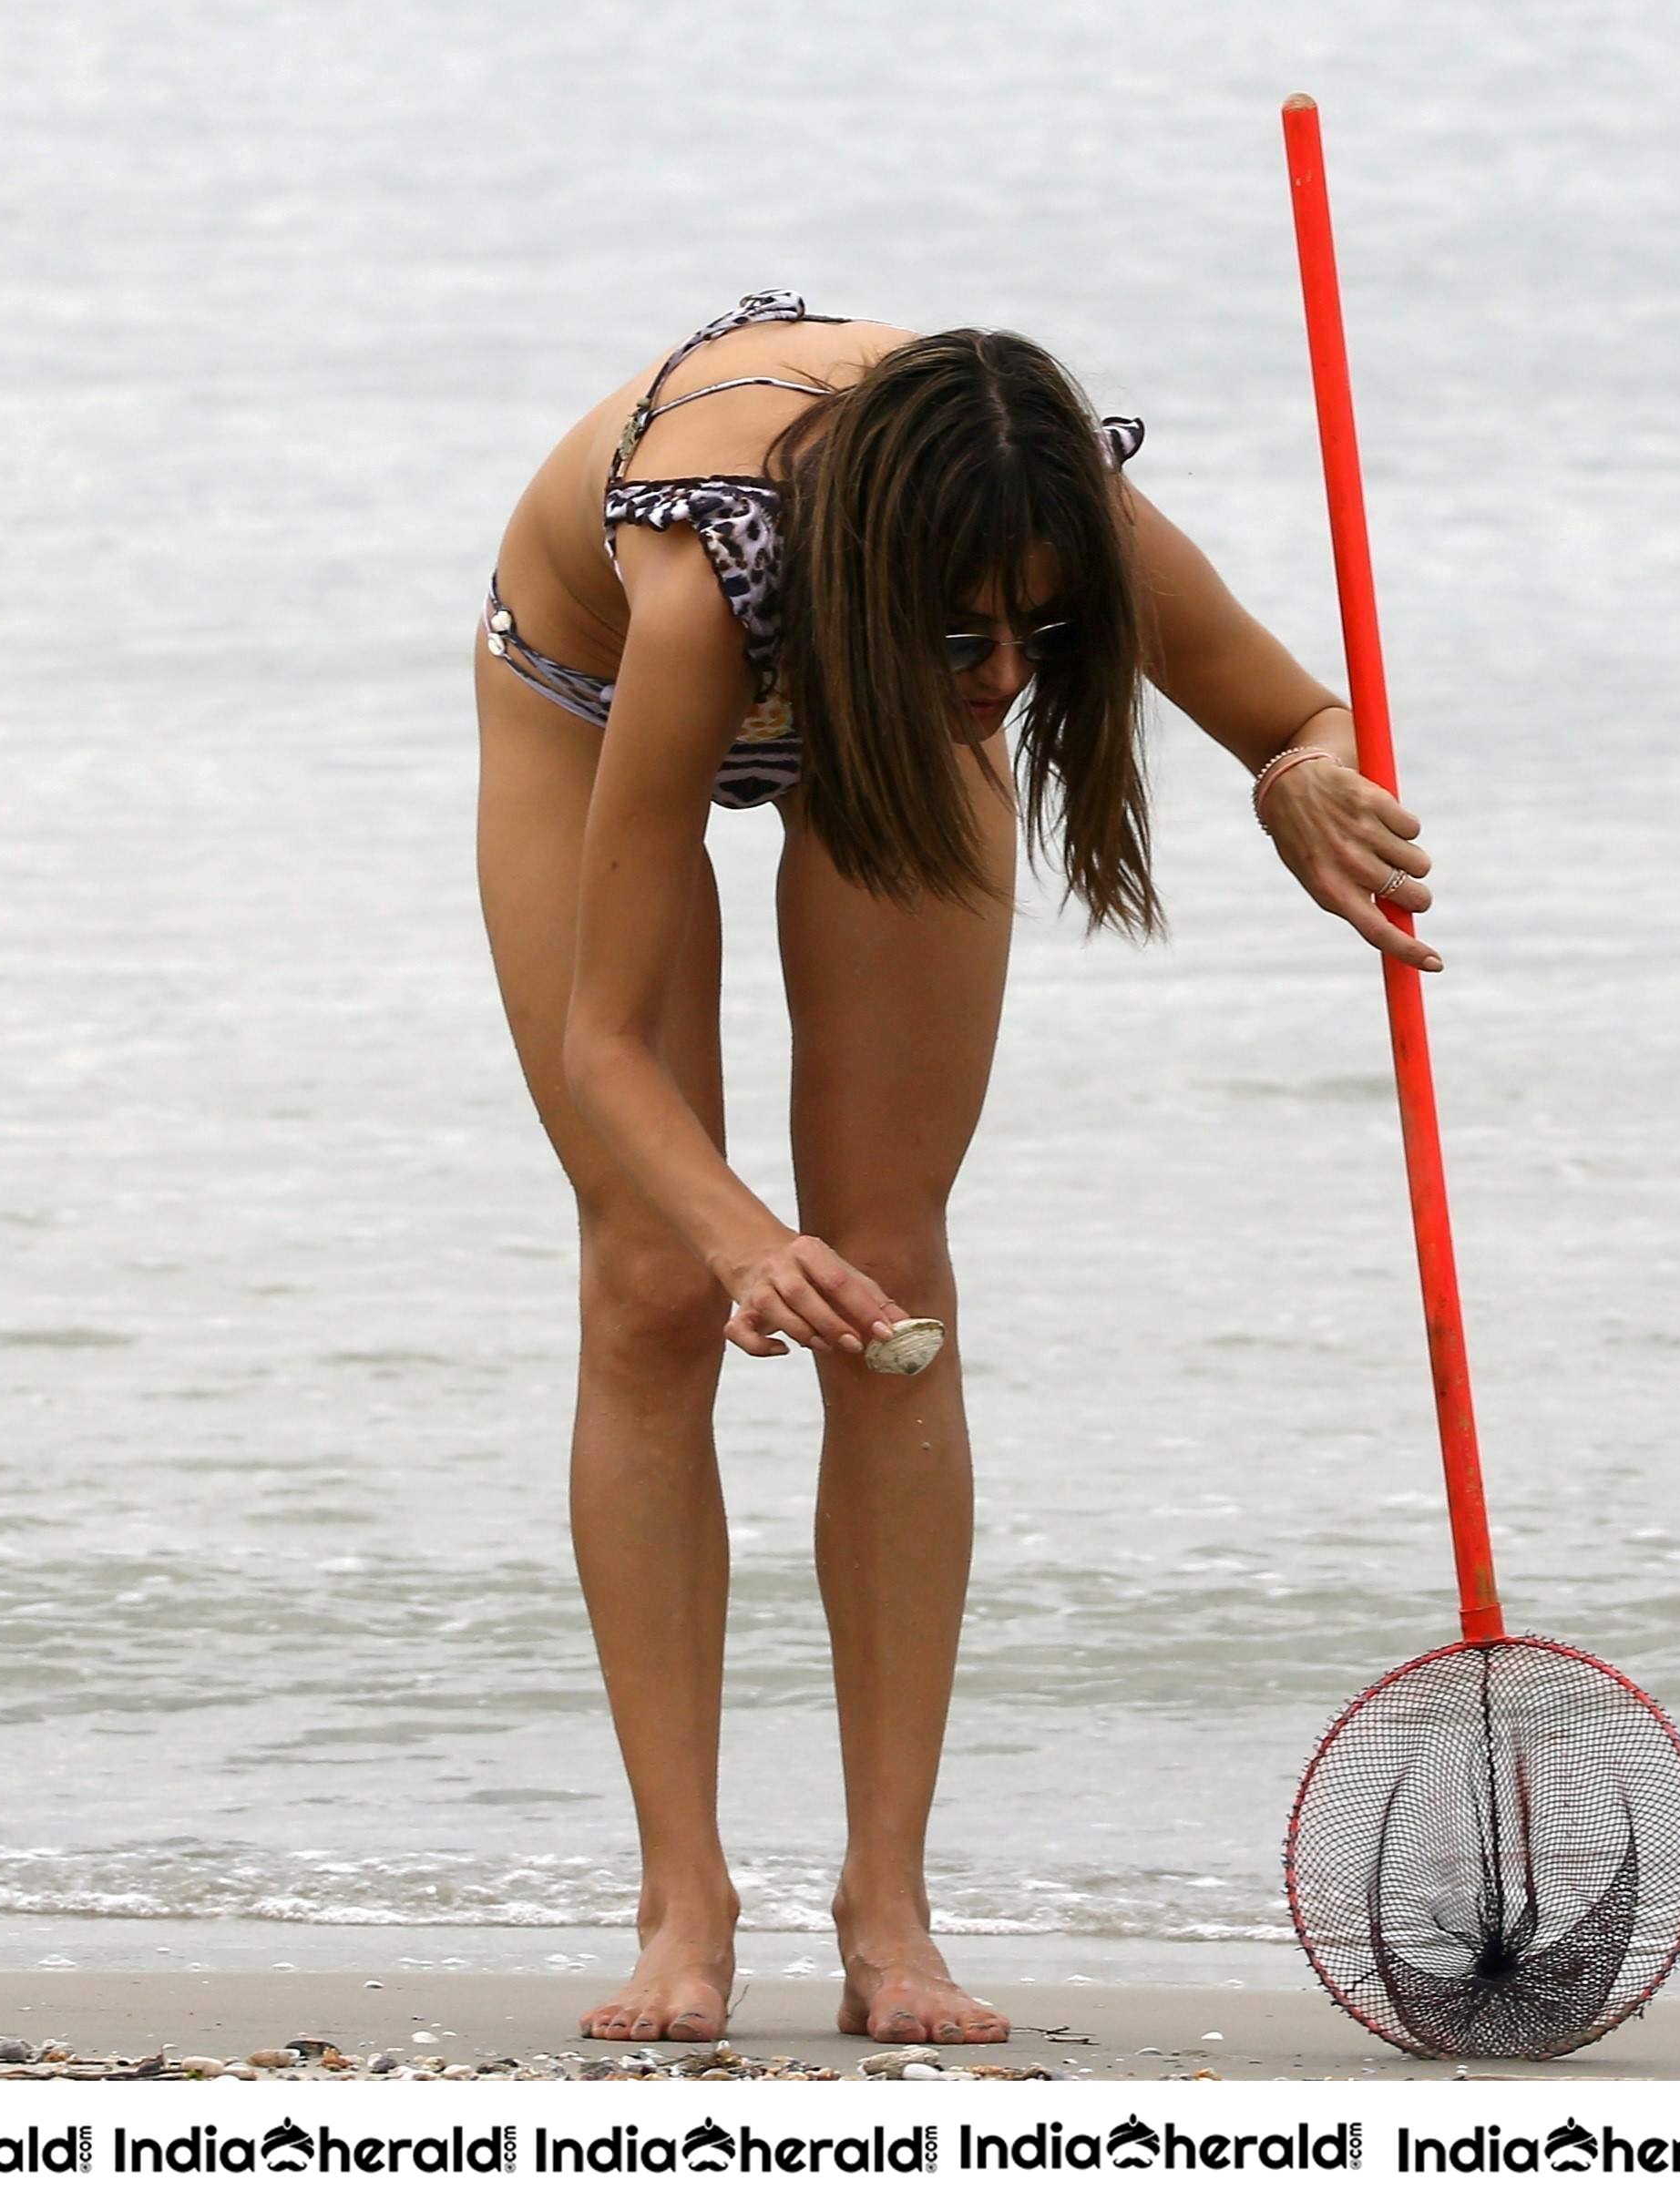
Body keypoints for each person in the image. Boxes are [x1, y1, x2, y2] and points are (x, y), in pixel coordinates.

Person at [472, 290, 1441, 2047]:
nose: (1007, 678)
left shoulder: (1038, 512)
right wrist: (738, 1230)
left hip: (863, 690)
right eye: (966, 642)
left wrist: (1298, 776)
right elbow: (603, 1045)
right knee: (652, 1286)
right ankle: (683, 1897)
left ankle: (888, 1905)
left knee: (892, 1282)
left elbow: (1291, 709)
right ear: (866, 582)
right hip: (588, 690)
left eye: (1041, 636)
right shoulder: (706, 583)